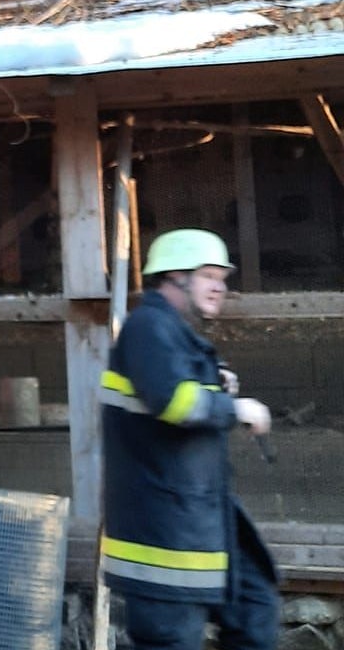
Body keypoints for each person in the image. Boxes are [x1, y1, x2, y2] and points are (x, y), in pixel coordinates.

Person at [101, 228, 278, 650]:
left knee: (256, 610)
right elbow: (173, 402)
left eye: (223, 277)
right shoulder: (148, 326)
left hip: (198, 525)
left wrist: (215, 387)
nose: (221, 287)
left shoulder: (169, 331)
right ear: (174, 276)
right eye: (208, 275)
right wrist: (236, 409)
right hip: (166, 544)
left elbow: (172, 392)